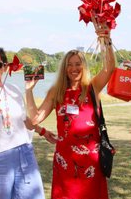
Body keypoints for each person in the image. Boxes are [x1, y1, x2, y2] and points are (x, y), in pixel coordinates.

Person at [25, 31, 115, 199]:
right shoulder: (57, 91)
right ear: (64, 68)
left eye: (78, 64)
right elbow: (35, 118)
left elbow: (109, 68)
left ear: (84, 66)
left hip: (91, 159)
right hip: (65, 159)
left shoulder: (92, 87)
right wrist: (29, 90)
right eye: (70, 65)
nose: (74, 68)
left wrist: (106, 39)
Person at [0, 47, 52, 199]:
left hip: (23, 151)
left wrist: (43, 131)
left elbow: (23, 119)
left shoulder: (14, 89)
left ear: (5, 67)